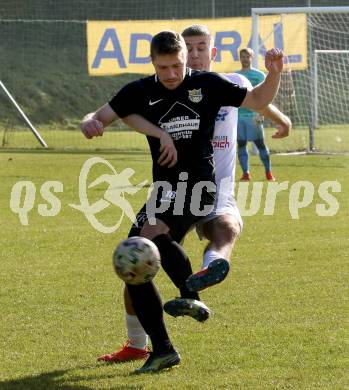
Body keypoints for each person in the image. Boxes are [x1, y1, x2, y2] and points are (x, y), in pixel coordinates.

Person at [81, 30, 283, 373]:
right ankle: (164, 346)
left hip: (200, 187)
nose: (172, 74)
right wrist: (91, 123)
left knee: (147, 235)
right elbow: (100, 115)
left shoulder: (208, 84)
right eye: (164, 67)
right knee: (135, 262)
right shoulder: (141, 91)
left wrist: (275, 73)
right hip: (164, 190)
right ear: (153, 63)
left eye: (177, 65)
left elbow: (259, 100)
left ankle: (189, 299)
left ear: (185, 60)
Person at [236, 47, 277, 182]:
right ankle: (246, 173)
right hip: (239, 117)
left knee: (260, 145)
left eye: (247, 57)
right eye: (243, 57)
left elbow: (266, 95)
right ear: (240, 58)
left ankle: (268, 172)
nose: (245, 59)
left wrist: (262, 113)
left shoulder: (259, 75)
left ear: (251, 58)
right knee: (241, 144)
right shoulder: (236, 76)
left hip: (255, 116)